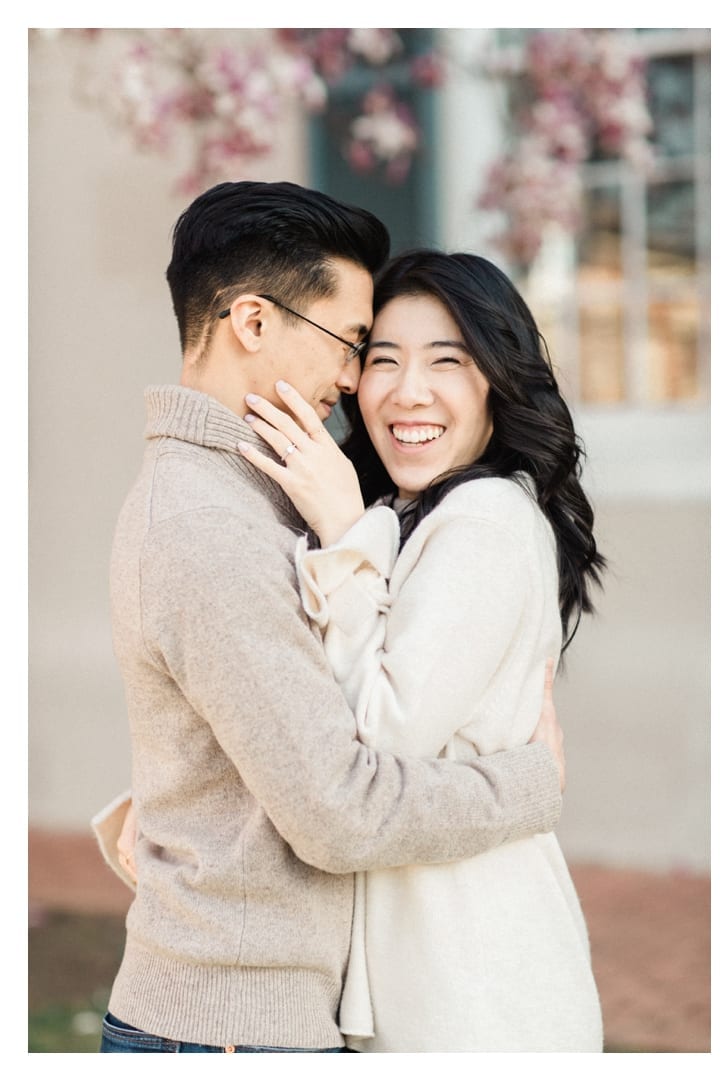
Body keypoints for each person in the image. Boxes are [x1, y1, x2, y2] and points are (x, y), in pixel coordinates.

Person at [96, 182, 567, 1053]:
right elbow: (340, 810)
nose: (356, 381)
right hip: (229, 1029)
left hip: (251, 1019)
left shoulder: (260, 494)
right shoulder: (209, 524)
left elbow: (271, 727)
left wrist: (171, 799)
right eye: (356, 345)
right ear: (252, 321)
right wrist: (531, 784)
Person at [238, 249, 606, 1050]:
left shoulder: (482, 519)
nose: (409, 390)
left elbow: (381, 734)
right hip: (438, 961)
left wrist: (345, 535)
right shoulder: (412, 516)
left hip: (475, 980)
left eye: (449, 360)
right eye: (382, 360)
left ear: (497, 383)